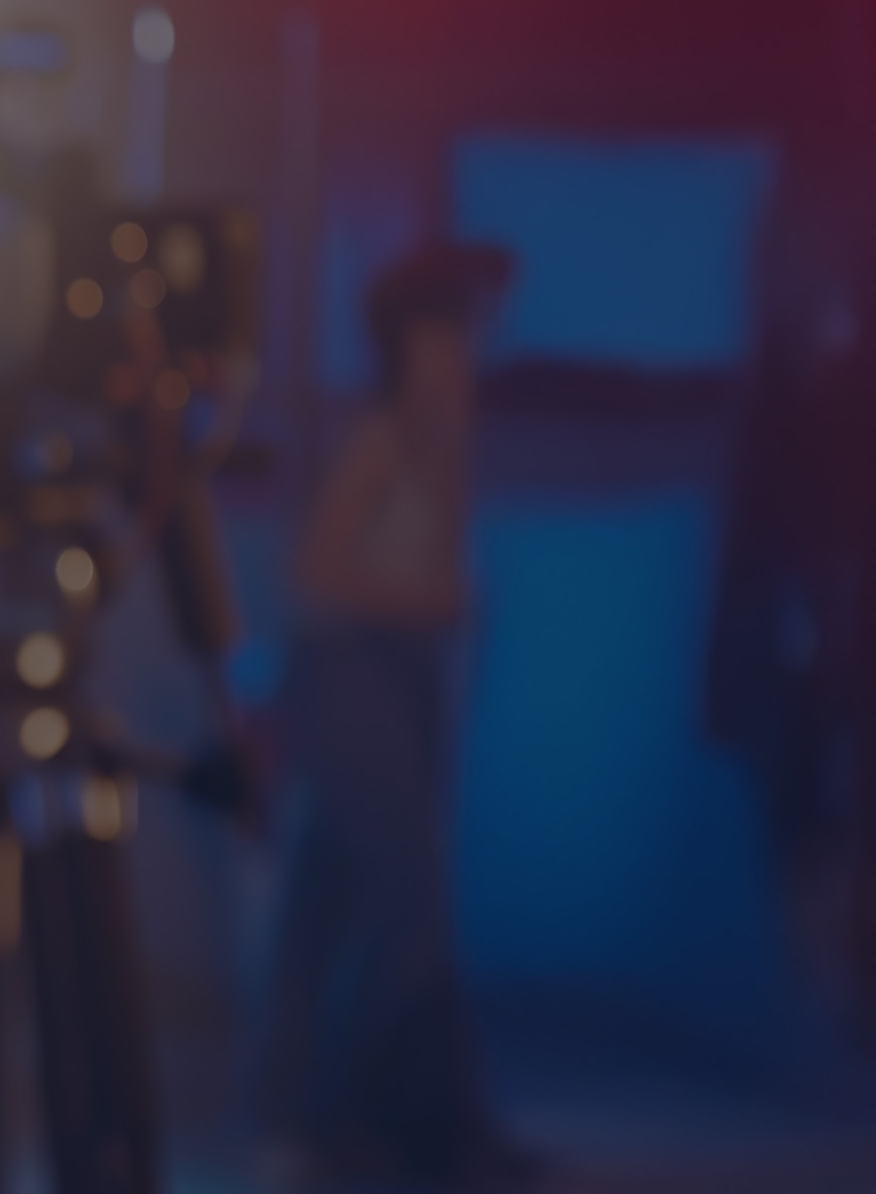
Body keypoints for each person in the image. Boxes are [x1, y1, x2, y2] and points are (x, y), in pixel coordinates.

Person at [254, 240, 530, 1192]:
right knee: (402, 899)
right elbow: (317, 574)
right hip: (349, 671)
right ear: (416, 342)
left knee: (328, 900)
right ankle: (361, 1117)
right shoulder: (379, 437)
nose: (470, 355)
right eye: (455, 337)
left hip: (399, 674)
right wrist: (433, 608)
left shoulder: (434, 439)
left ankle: (323, 1118)